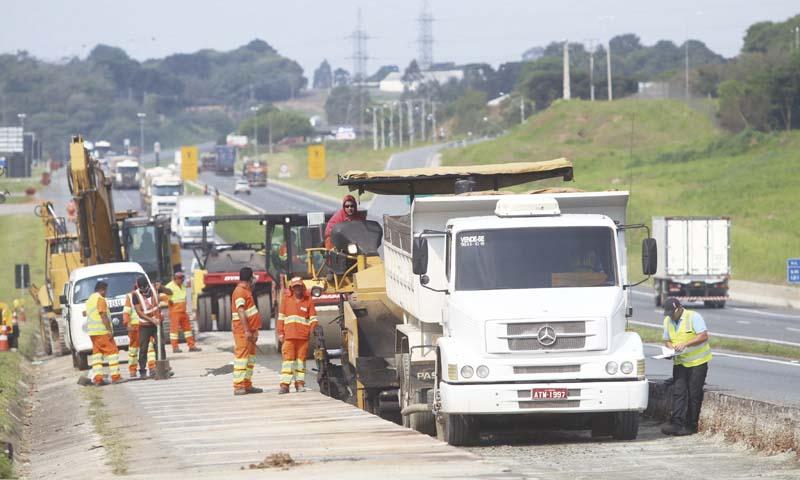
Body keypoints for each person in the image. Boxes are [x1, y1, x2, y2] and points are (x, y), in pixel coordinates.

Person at [660, 298, 712, 436]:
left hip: (698, 362)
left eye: (672, 313)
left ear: (679, 308)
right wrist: (671, 350)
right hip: (680, 362)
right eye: (668, 313)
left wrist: (686, 344)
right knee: (678, 392)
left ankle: (691, 425)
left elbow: (704, 336)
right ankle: (676, 424)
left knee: (694, 393)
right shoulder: (667, 321)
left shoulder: (693, 317)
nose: (670, 316)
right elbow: (667, 340)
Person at [277, 277, 318, 394]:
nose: (297, 289)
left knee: (300, 362)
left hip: (303, 338)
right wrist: (280, 333)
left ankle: (300, 384)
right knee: (287, 362)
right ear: (292, 288)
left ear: (302, 287)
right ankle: (285, 386)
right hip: (289, 337)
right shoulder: (286, 300)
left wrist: (311, 331)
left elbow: (313, 319)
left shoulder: (308, 300)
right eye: (295, 287)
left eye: (299, 286)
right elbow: (281, 318)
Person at [231, 267, 262, 395]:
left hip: (251, 331)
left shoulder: (246, 291)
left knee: (250, 359)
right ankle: (238, 386)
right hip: (244, 332)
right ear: (250, 279)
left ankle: (247, 384)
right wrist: (247, 330)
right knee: (242, 358)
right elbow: (241, 310)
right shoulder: (240, 291)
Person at [86, 281, 122, 385]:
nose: (106, 293)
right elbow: (103, 315)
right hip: (102, 331)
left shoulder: (90, 300)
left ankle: (98, 379)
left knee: (97, 355)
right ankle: (115, 377)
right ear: (102, 290)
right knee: (112, 352)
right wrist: (109, 330)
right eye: (105, 290)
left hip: (93, 332)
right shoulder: (100, 299)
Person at [133, 277, 168, 378]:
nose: (143, 292)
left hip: (157, 323)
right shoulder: (135, 295)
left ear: (147, 286)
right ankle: (143, 371)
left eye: (145, 289)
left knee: (160, 345)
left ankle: (162, 368)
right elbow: (139, 312)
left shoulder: (154, 288)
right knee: (143, 347)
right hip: (145, 325)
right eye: (141, 290)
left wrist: (161, 287)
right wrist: (152, 320)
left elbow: (169, 292)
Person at [123, 285, 157, 378]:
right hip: (138, 327)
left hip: (140, 326)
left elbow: (126, 312)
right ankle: (148, 368)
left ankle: (138, 370)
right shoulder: (133, 296)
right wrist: (128, 323)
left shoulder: (132, 296)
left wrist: (127, 323)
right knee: (142, 349)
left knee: (139, 349)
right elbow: (126, 312)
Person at [165, 271, 201, 353]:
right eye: (180, 279)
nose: (182, 280)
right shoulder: (169, 286)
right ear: (175, 279)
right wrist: (168, 300)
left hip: (183, 312)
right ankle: (175, 347)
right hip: (174, 312)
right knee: (174, 331)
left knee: (188, 330)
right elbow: (162, 296)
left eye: (182, 278)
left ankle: (192, 346)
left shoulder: (183, 286)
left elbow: (188, 294)